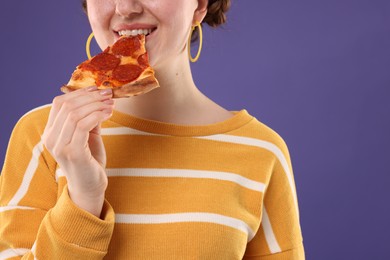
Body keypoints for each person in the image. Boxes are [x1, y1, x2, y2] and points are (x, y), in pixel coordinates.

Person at [0, 0, 305, 259]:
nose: (126, 8)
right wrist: (83, 197)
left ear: (199, 5)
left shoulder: (262, 152)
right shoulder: (43, 135)